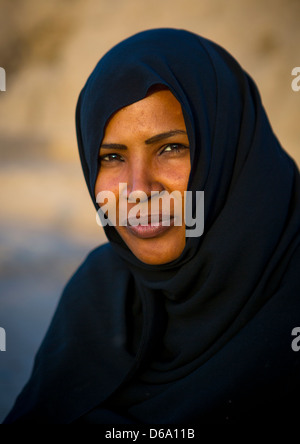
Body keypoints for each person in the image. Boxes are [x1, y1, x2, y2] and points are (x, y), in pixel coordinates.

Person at [3, 28, 300, 424]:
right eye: (111, 157)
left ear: (229, 147)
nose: (138, 190)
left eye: (171, 148)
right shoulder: (101, 291)